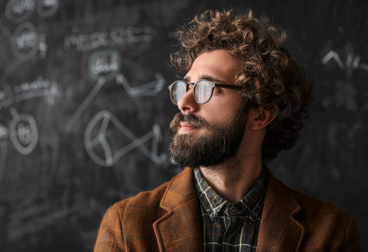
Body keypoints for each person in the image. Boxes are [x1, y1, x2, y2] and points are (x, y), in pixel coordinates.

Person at [94, 9, 360, 252]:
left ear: (261, 114)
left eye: (207, 89)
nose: (185, 103)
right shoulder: (126, 226)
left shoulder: (330, 234)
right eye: (185, 87)